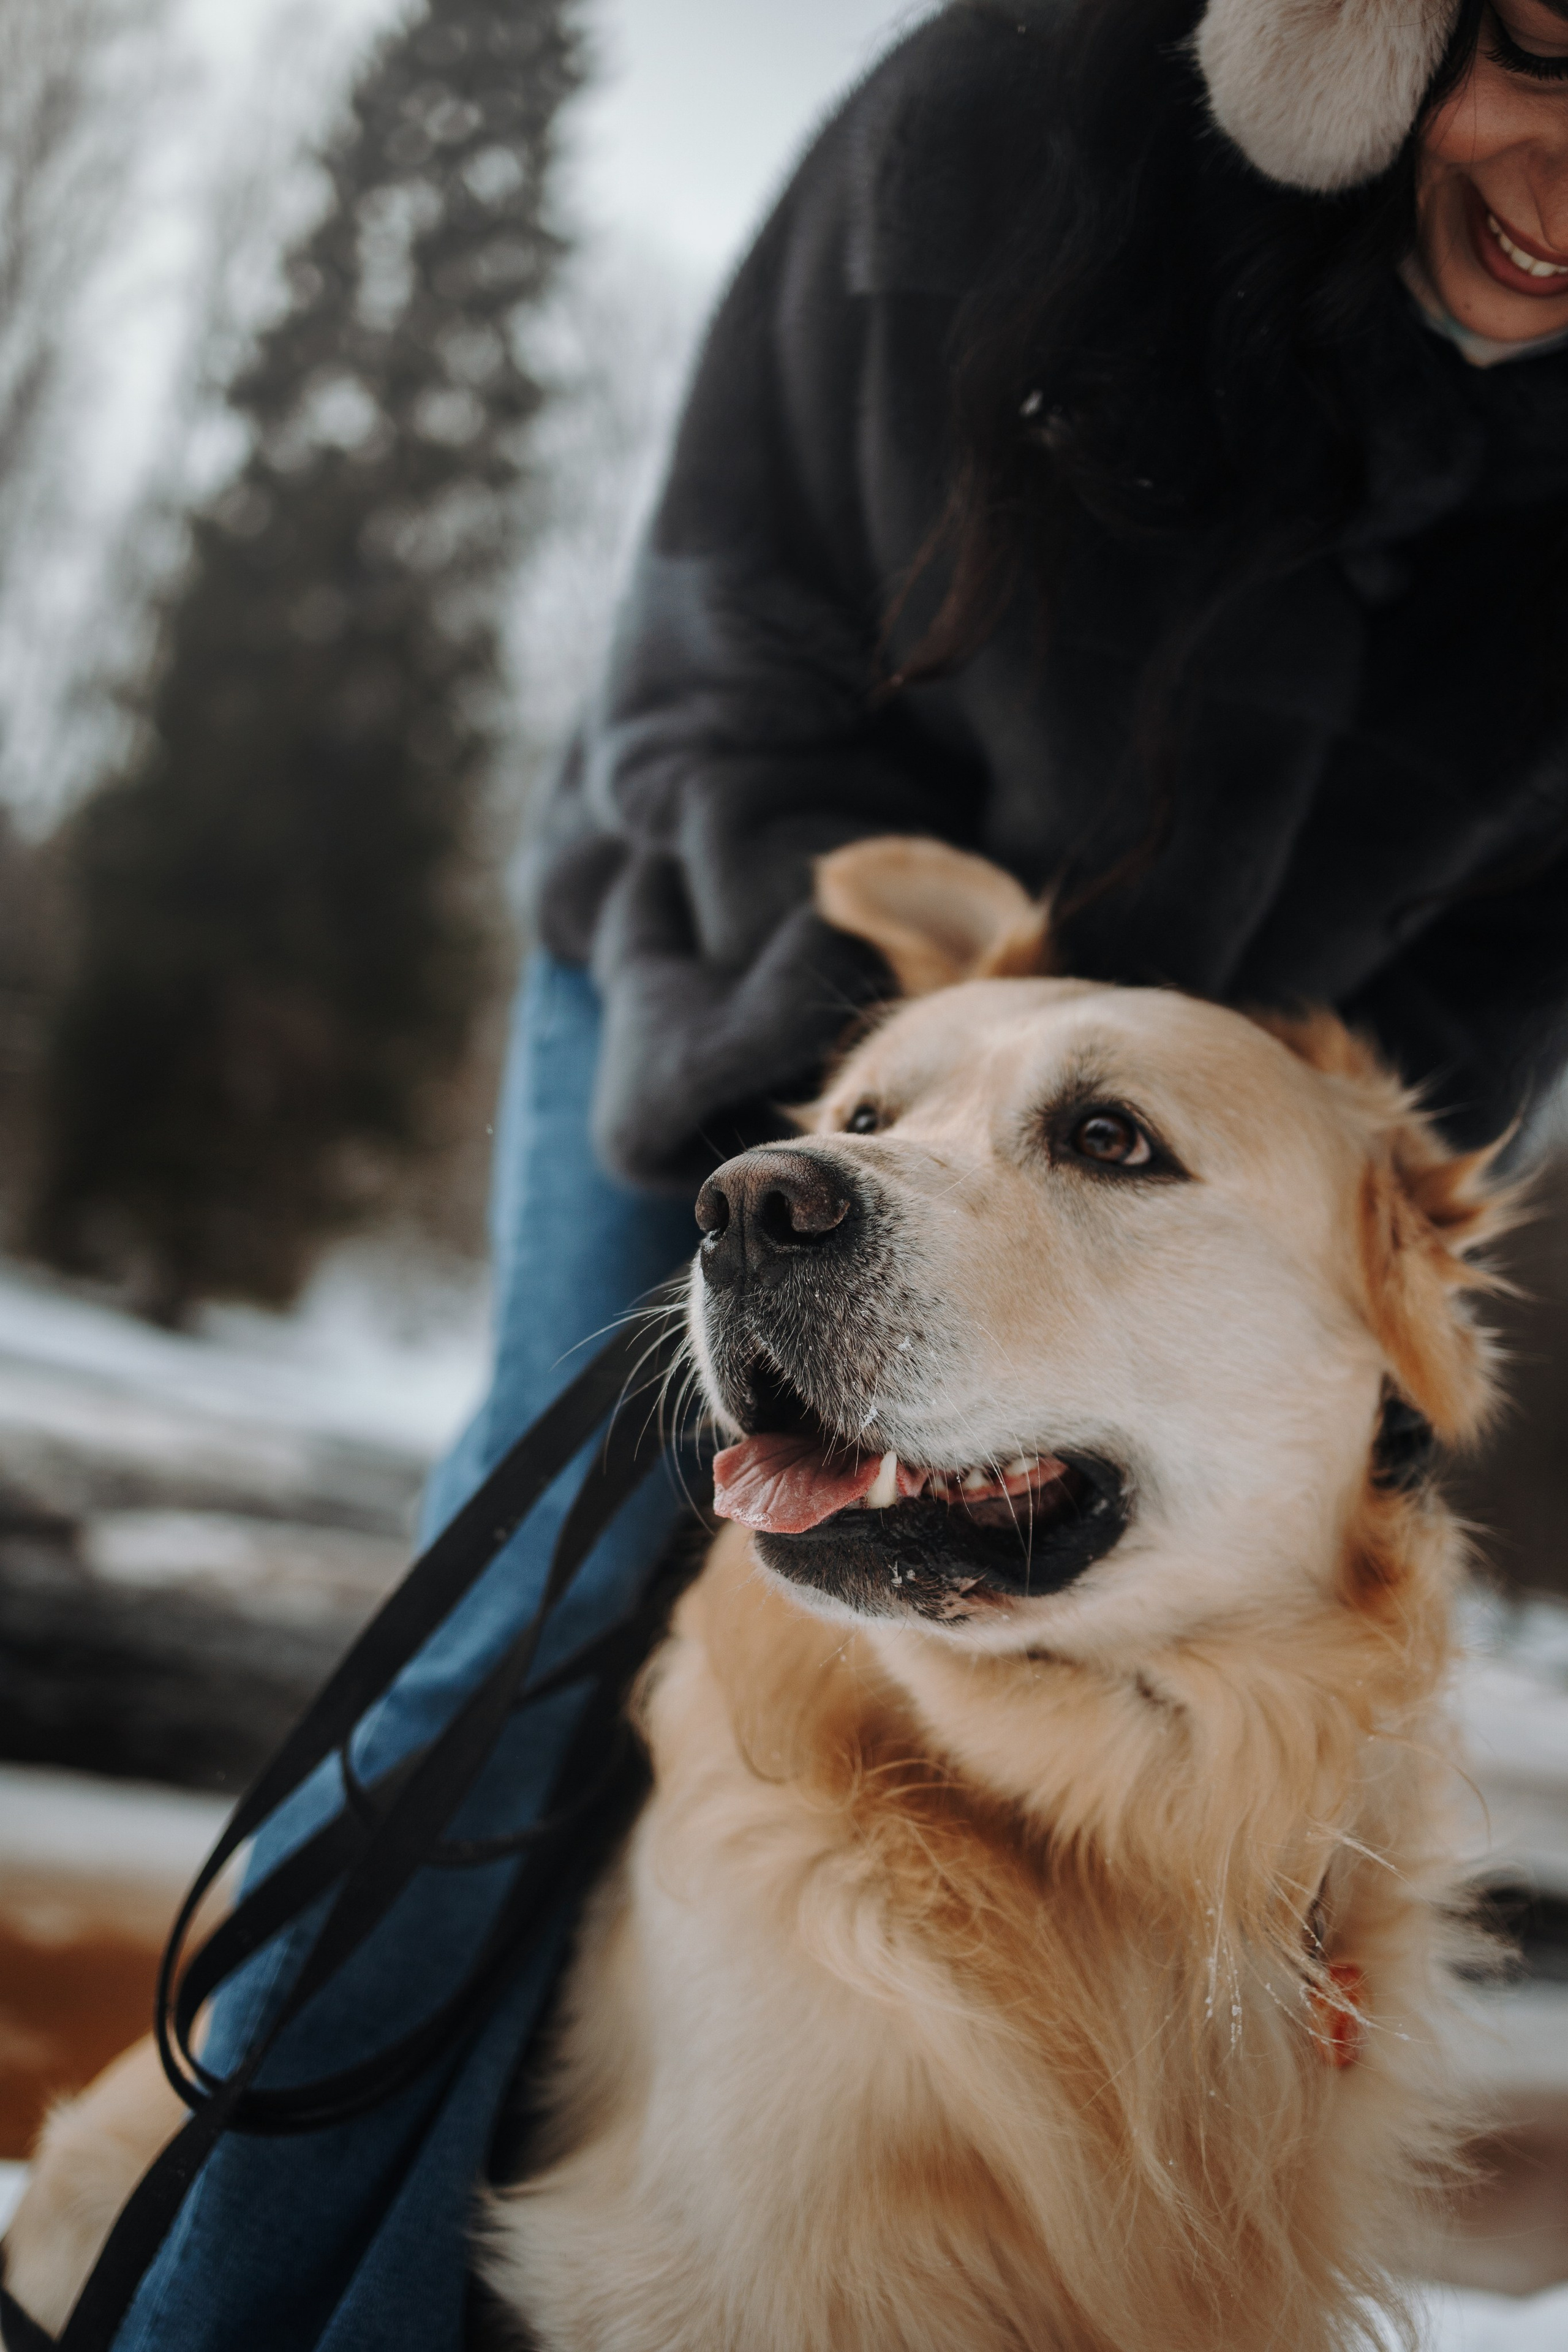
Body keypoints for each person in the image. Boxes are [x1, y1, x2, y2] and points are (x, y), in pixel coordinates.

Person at [97, 2, 1568, 2345]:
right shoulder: (1015, 140)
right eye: (1553, 56)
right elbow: (718, 651)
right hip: (738, 970)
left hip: (1176, 1146)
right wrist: (863, 1104)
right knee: (529, 1647)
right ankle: (225, 2313)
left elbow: (1517, 939)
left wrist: (1335, 1169)